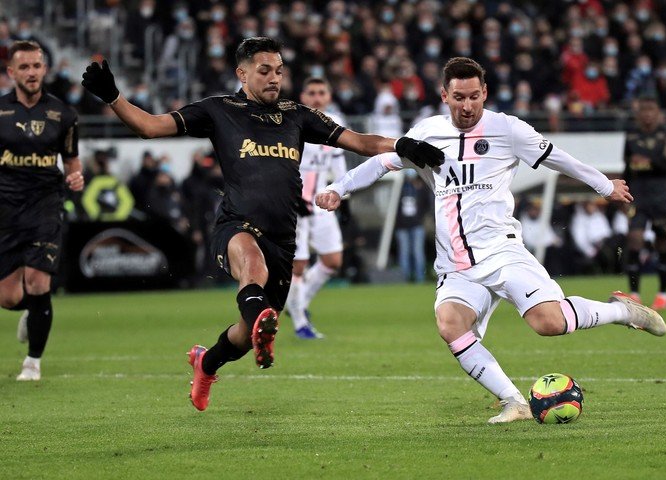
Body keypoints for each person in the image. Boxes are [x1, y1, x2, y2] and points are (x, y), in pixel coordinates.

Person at [80, 37, 443, 411]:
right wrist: (114, 98)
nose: (274, 78)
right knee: (252, 269)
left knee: (242, 333)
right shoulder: (218, 110)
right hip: (237, 224)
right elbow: (151, 127)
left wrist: (402, 145)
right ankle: (262, 331)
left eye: (279, 71)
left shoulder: (299, 115)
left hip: (284, 236)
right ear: (242, 73)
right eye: (264, 71)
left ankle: (207, 362)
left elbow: (359, 142)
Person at [317, 57, 666, 424]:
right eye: (458, 98)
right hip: (455, 262)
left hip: (502, 251)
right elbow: (382, 162)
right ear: (444, 96)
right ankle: (513, 401)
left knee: (548, 323)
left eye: (473, 97)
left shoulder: (508, 129)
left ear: (484, 93)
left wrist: (604, 185)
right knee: (450, 324)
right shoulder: (427, 133)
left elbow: (556, 158)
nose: (467, 106)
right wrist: (338, 188)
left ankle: (622, 310)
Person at [0, 41, 84, 381]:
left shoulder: (64, 114)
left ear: (44, 69)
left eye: (37, 66)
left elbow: (72, 161)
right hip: (5, 209)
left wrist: (76, 177)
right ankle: (32, 312)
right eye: (25, 67)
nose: (32, 72)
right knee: (8, 298)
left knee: (37, 281)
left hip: (45, 205)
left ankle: (32, 362)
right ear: (11, 72)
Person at [284, 77, 346, 339]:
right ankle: (300, 322)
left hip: (320, 203)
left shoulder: (335, 126)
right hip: (295, 204)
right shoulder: (293, 123)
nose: (317, 97)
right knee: (298, 266)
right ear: (303, 96)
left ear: (329, 96)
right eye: (312, 93)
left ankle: (297, 303)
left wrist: (342, 193)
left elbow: (339, 168)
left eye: (322, 92)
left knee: (332, 261)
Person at [622, 95, 666, 310]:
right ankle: (634, 293)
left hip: (659, 196)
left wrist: (647, 160)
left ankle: (663, 293)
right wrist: (623, 193)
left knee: (662, 243)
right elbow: (627, 166)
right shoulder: (631, 136)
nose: (647, 114)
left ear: (658, 113)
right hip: (638, 196)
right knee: (635, 240)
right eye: (644, 110)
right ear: (638, 114)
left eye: (651, 110)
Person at [395, 170, 431, 283]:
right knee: (404, 253)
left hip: (417, 224)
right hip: (401, 226)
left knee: (418, 252)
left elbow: (427, 204)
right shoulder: (399, 188)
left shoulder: (421, 187)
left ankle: (420, 278)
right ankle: (404, 278)